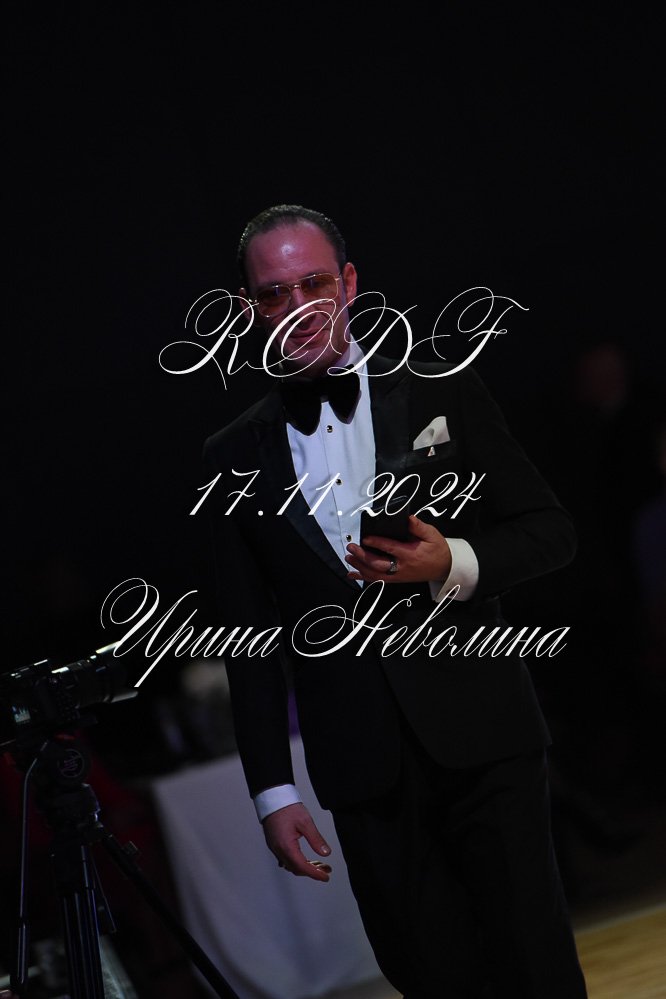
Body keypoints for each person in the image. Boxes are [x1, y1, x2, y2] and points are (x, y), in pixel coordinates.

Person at [203, 205, 587, 997]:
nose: (298, 306)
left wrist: (454, 561)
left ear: (348, 284)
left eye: (314, 282)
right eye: (275, 293)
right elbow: (248, 641)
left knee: (535, 965)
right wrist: (273, 790)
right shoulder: (233, 453)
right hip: (361, 767)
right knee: (430, 975)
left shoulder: (440, 385)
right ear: (248, 309)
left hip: (485, 735)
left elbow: (550, 531)